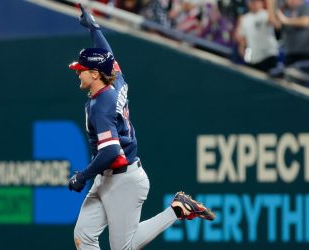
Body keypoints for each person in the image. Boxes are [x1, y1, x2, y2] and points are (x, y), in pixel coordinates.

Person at [67, 4, 216, 250]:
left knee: (124, 248)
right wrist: (94, 28)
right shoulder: (115, 80)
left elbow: (111, 152)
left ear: (95, 74)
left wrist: (83, 175)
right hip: (109, 177)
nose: (77, 73)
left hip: (123, 179)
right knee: (83, 235)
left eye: (81, 70)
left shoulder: (101, 105)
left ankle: (177, 210)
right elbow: (108, 55)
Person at [235, 0, 280, 72]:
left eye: (257, 2)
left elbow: (274, 23)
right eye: (252, 2)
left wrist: (270, 3)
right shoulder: (245, 18)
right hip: (254, 58)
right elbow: (241, 38)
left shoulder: (264, 14)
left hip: (268, 56)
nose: (254, 4)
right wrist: (243, 53)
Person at [273, 0, 309, 65]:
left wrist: (285, 20)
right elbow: (277, 26)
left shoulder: (305, 7)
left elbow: (306, 21)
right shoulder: (285, 11)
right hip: (289, 53)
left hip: (305, 53)